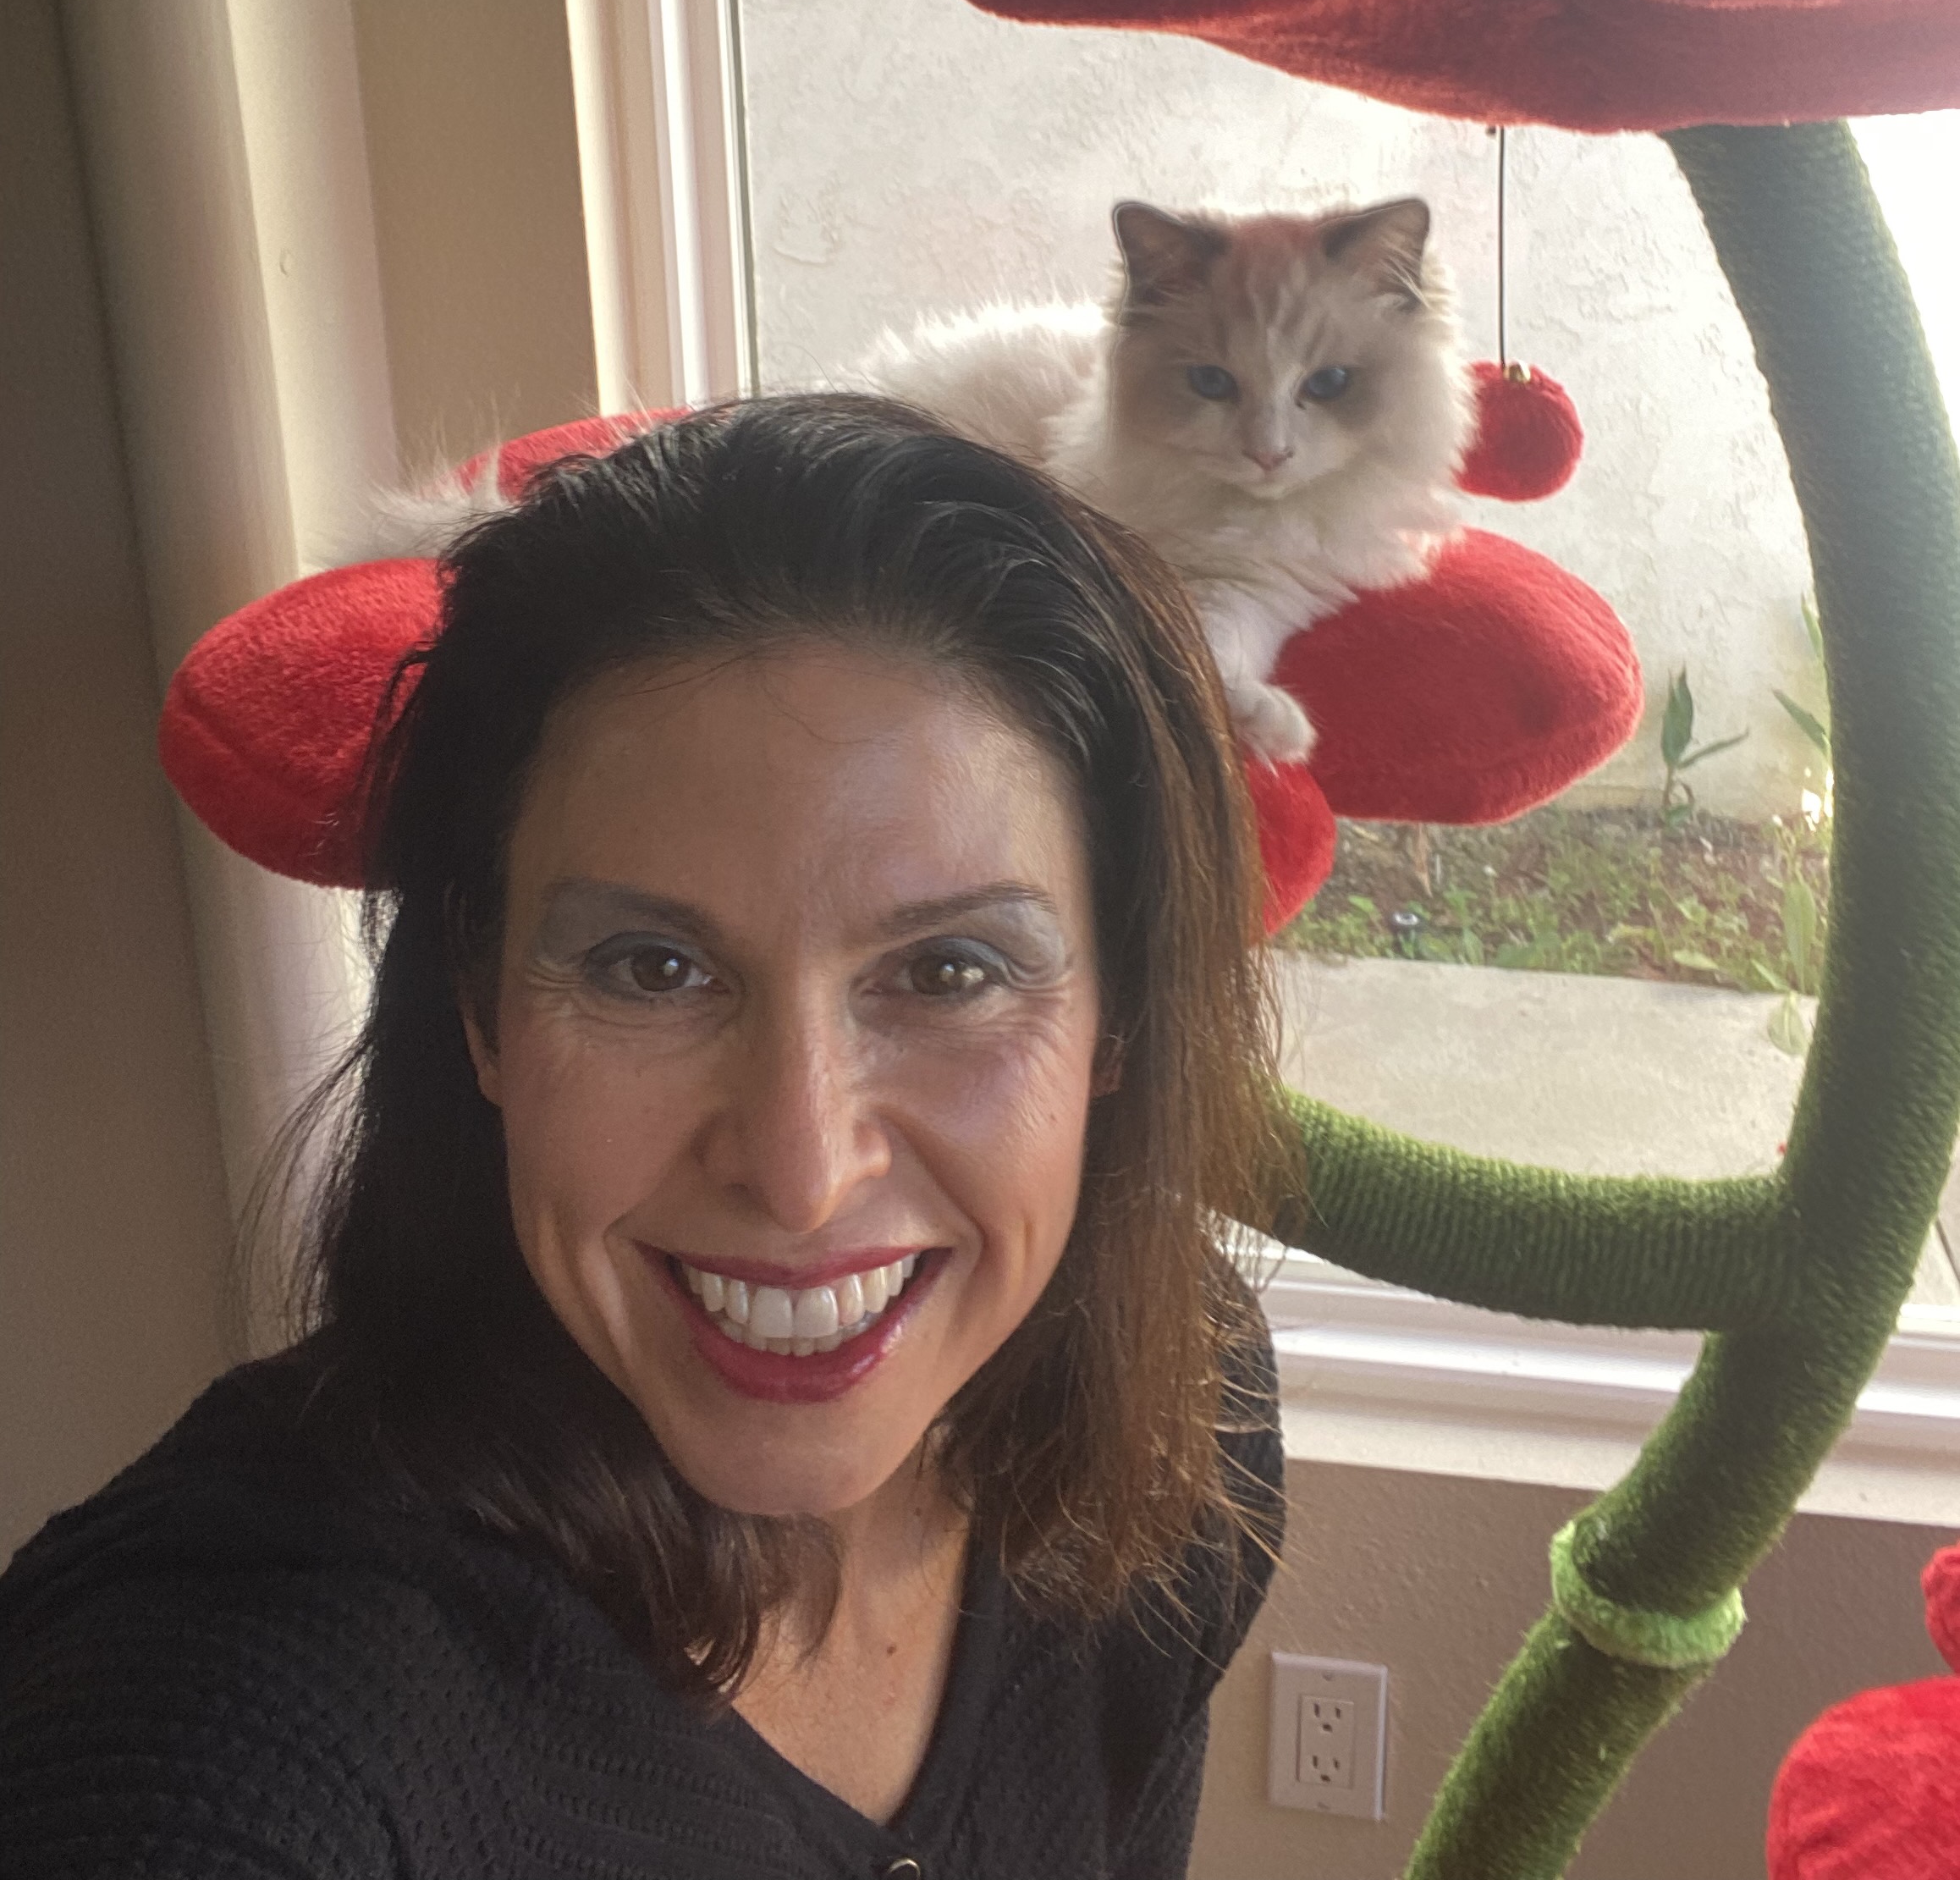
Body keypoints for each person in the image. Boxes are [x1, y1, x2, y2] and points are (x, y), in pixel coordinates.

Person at [0, 395, 1297, 1878]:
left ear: (1119, 1018)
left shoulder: (1188, 1423)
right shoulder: (226, 1721)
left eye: (947, 973)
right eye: (650, 970)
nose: (802, 1169)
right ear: (480, 1007)